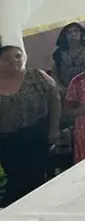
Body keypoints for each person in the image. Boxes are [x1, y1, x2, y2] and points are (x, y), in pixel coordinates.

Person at [0, 45, 60, 206]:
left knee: (37, 176)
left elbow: (55, 100)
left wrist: (54, 129)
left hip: (36, 135)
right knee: (15, 176)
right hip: (6, 140)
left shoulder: (37, 76)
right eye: (6, 58)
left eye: (18, 56)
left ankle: (40, 208)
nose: (14, 61)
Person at [52, 22, 85, 88]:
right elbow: (54, 74)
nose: (73, 34)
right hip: (66, 89)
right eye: (68, 32)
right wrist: (61, 89)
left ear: (81, 33)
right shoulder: (59, 52)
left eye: (76, 31)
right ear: (64, 36)